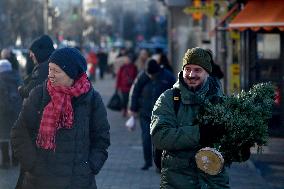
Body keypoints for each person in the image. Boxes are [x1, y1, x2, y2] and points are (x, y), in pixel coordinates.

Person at [11, 47, 110, 189]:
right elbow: (19, 133)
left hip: (78, 182)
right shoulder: (39, 94)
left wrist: (90, 167)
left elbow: (101, 138)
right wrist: (32, 164)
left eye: (56, 71)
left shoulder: (92, 99)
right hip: (39, 181)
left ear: (72, 74)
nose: (51, 75)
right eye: (50, 69)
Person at [150, 47, 229, 188]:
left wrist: (241, 145)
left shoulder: (221, 101)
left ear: (207, 73)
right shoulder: (168, 99)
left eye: (197, 70)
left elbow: (231, 149)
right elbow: (160, 136)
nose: (191, 74)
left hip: (214, 184)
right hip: (177, 183)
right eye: (188, 69)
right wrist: (200, 133)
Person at [128, 59, 176, 170]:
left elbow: (176, 93)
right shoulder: (142, 77)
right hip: (145, 113)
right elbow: (134, 92)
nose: (151, 76)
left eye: (153, 75)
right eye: (149, 74)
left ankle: (159, 165)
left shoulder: (167, 76)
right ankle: (147, 162)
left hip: (162, 114)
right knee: (146, 138)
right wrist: (132, 108)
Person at [0, 59, 22, 169]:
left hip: (3, 113)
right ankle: (15, 160)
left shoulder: (0, 79)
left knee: (3, 137)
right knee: (14, 135)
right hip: (16, 111)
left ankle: (5, 161)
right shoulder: (17, 77)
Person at [18, 34, 55, 99]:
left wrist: (20, 89)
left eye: (32, 52)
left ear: (39, 52)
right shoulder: (50, 64)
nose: (30, 56)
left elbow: (29, 91)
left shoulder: (44, 68)